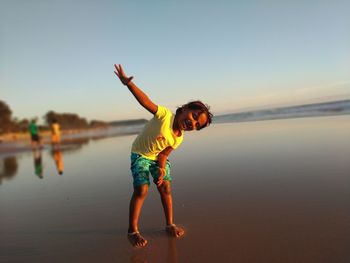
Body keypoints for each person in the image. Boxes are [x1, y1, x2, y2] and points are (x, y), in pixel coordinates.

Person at [114, 64, 213, 248]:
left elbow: (164, 154)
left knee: (165, 187)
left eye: (196, 125)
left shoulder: (178, 139)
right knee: (142, 190)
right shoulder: (165, 115)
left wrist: (160, 169)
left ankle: (169, 224)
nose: (191, 123)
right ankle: (132, 230)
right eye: (193, 116)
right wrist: (129, 85)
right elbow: (146, 101)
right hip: (140, 154)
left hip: (156, 158)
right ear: (183, 108)